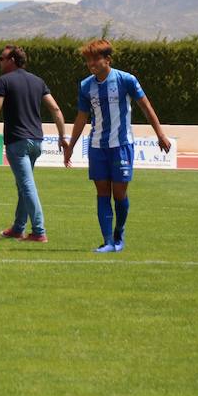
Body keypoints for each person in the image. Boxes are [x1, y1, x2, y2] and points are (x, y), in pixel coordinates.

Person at [64, 39, 171, 253]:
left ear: (107, 59)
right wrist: (71, 145)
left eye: (95, 59)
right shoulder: (86, 86)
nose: (91, 64)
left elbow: (146, 107)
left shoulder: (126, 80)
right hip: (97, 146)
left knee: (119, 193)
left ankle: (118, 233)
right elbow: (81, 117)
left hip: (122, 145)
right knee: (102, 192)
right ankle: (107, 242)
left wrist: (160, 134)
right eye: (88, 61)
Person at [0, 45, 69, 243]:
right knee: (23, 185)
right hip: (36, 141)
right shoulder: (38, 81)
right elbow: (55, 109)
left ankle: (39, 231)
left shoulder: (3, 81)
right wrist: (63, 136)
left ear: (11, 60)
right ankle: (18, 228)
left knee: (27, 185)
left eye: (1, 58)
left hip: (17, 142)